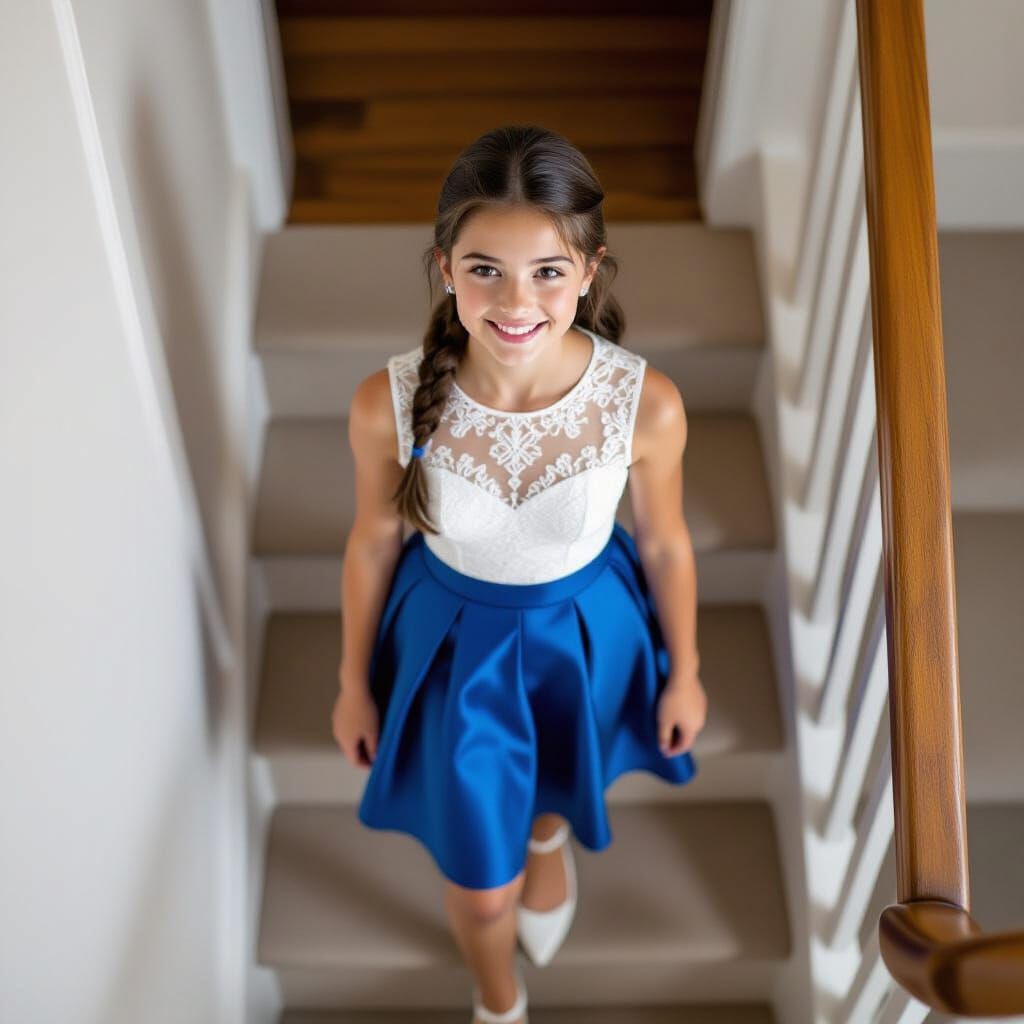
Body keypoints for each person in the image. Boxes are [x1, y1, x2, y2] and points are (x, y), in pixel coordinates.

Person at [331, 123, 707, 1024]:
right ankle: (498, 998)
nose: (515, 300)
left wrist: (684, 668)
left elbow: (665, 543)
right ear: (445, 267)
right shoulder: (389, 403)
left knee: (552, 793)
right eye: (484, 267)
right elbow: (372, 543)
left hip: (586, 628)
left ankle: (547, 839)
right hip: (455, 644)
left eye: (547, 270)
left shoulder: (643, 404)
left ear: (588, 270)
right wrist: (352, 681)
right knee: (480, 891)